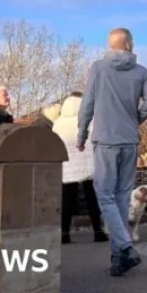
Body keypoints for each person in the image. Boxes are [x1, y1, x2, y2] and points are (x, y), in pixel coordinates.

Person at [77, 28, 147, 277]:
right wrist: (134, 120)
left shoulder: (98, 68)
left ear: (110, 45)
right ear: (130, 45)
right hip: (129, 140)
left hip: (106, 140)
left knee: (105, 196)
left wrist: (81, 134)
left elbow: (87, 103)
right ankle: (118, 259)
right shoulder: (141, 71)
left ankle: (125, 247)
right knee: (122, 199)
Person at [53, 92, 107, 245]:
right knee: (93, 199)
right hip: (90, 165)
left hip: (68, 166)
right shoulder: (90, 119)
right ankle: (98, 232)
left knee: (67, 201)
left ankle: (64, 234)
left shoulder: (59, 123)